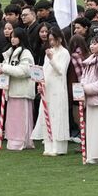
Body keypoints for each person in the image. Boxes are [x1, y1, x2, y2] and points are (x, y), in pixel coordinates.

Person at [32, 24, 72, 156]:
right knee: (46, 115)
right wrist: (41, 84)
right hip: (47, 88)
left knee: (57, 115)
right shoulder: (49, 52)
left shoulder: (64, 53)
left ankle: (58, 147)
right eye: (49, 40)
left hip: (58, 88)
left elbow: (61, 71)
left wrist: (51, 59)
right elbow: (44, 70)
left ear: (59, 39)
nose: (51, 42)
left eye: (53, 39)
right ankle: (48, 144)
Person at [0, 36, 41, 152]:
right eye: (12, 37)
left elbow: (24, 71)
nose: (12, 39)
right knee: (12, 119)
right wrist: (0, 67)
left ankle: (22, 141)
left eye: (15, 37)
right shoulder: (10, 52)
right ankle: (13, 141)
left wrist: (4, 68)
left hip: (22, 91)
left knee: (21, 118)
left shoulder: (26, 53)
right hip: (12, 90)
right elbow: (5, 65)